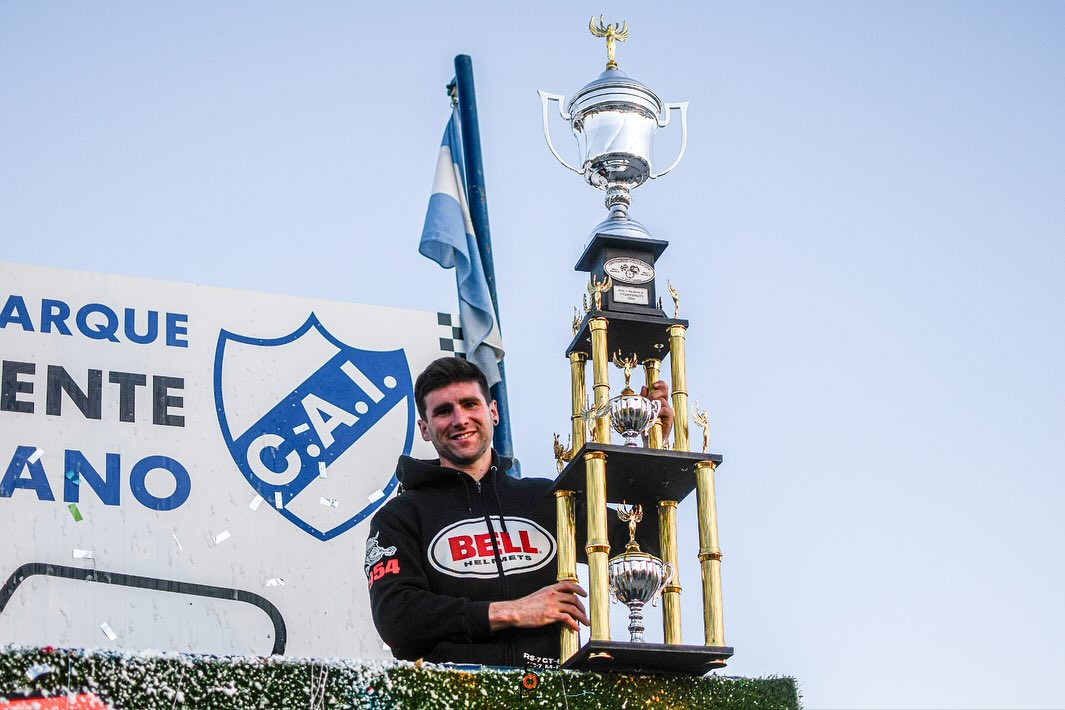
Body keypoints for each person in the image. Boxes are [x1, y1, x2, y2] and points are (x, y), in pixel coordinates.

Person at [364, 356, 673, 668]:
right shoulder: (400, 516)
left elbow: (643, 550)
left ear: (493, 412)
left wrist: (651, 452)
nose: (460, 419)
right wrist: (512, 611)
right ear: (425, 429)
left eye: (470, 404)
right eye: (444, 411)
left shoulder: (548, 498)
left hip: (554, 692)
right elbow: (397, 620)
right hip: (456, 693)